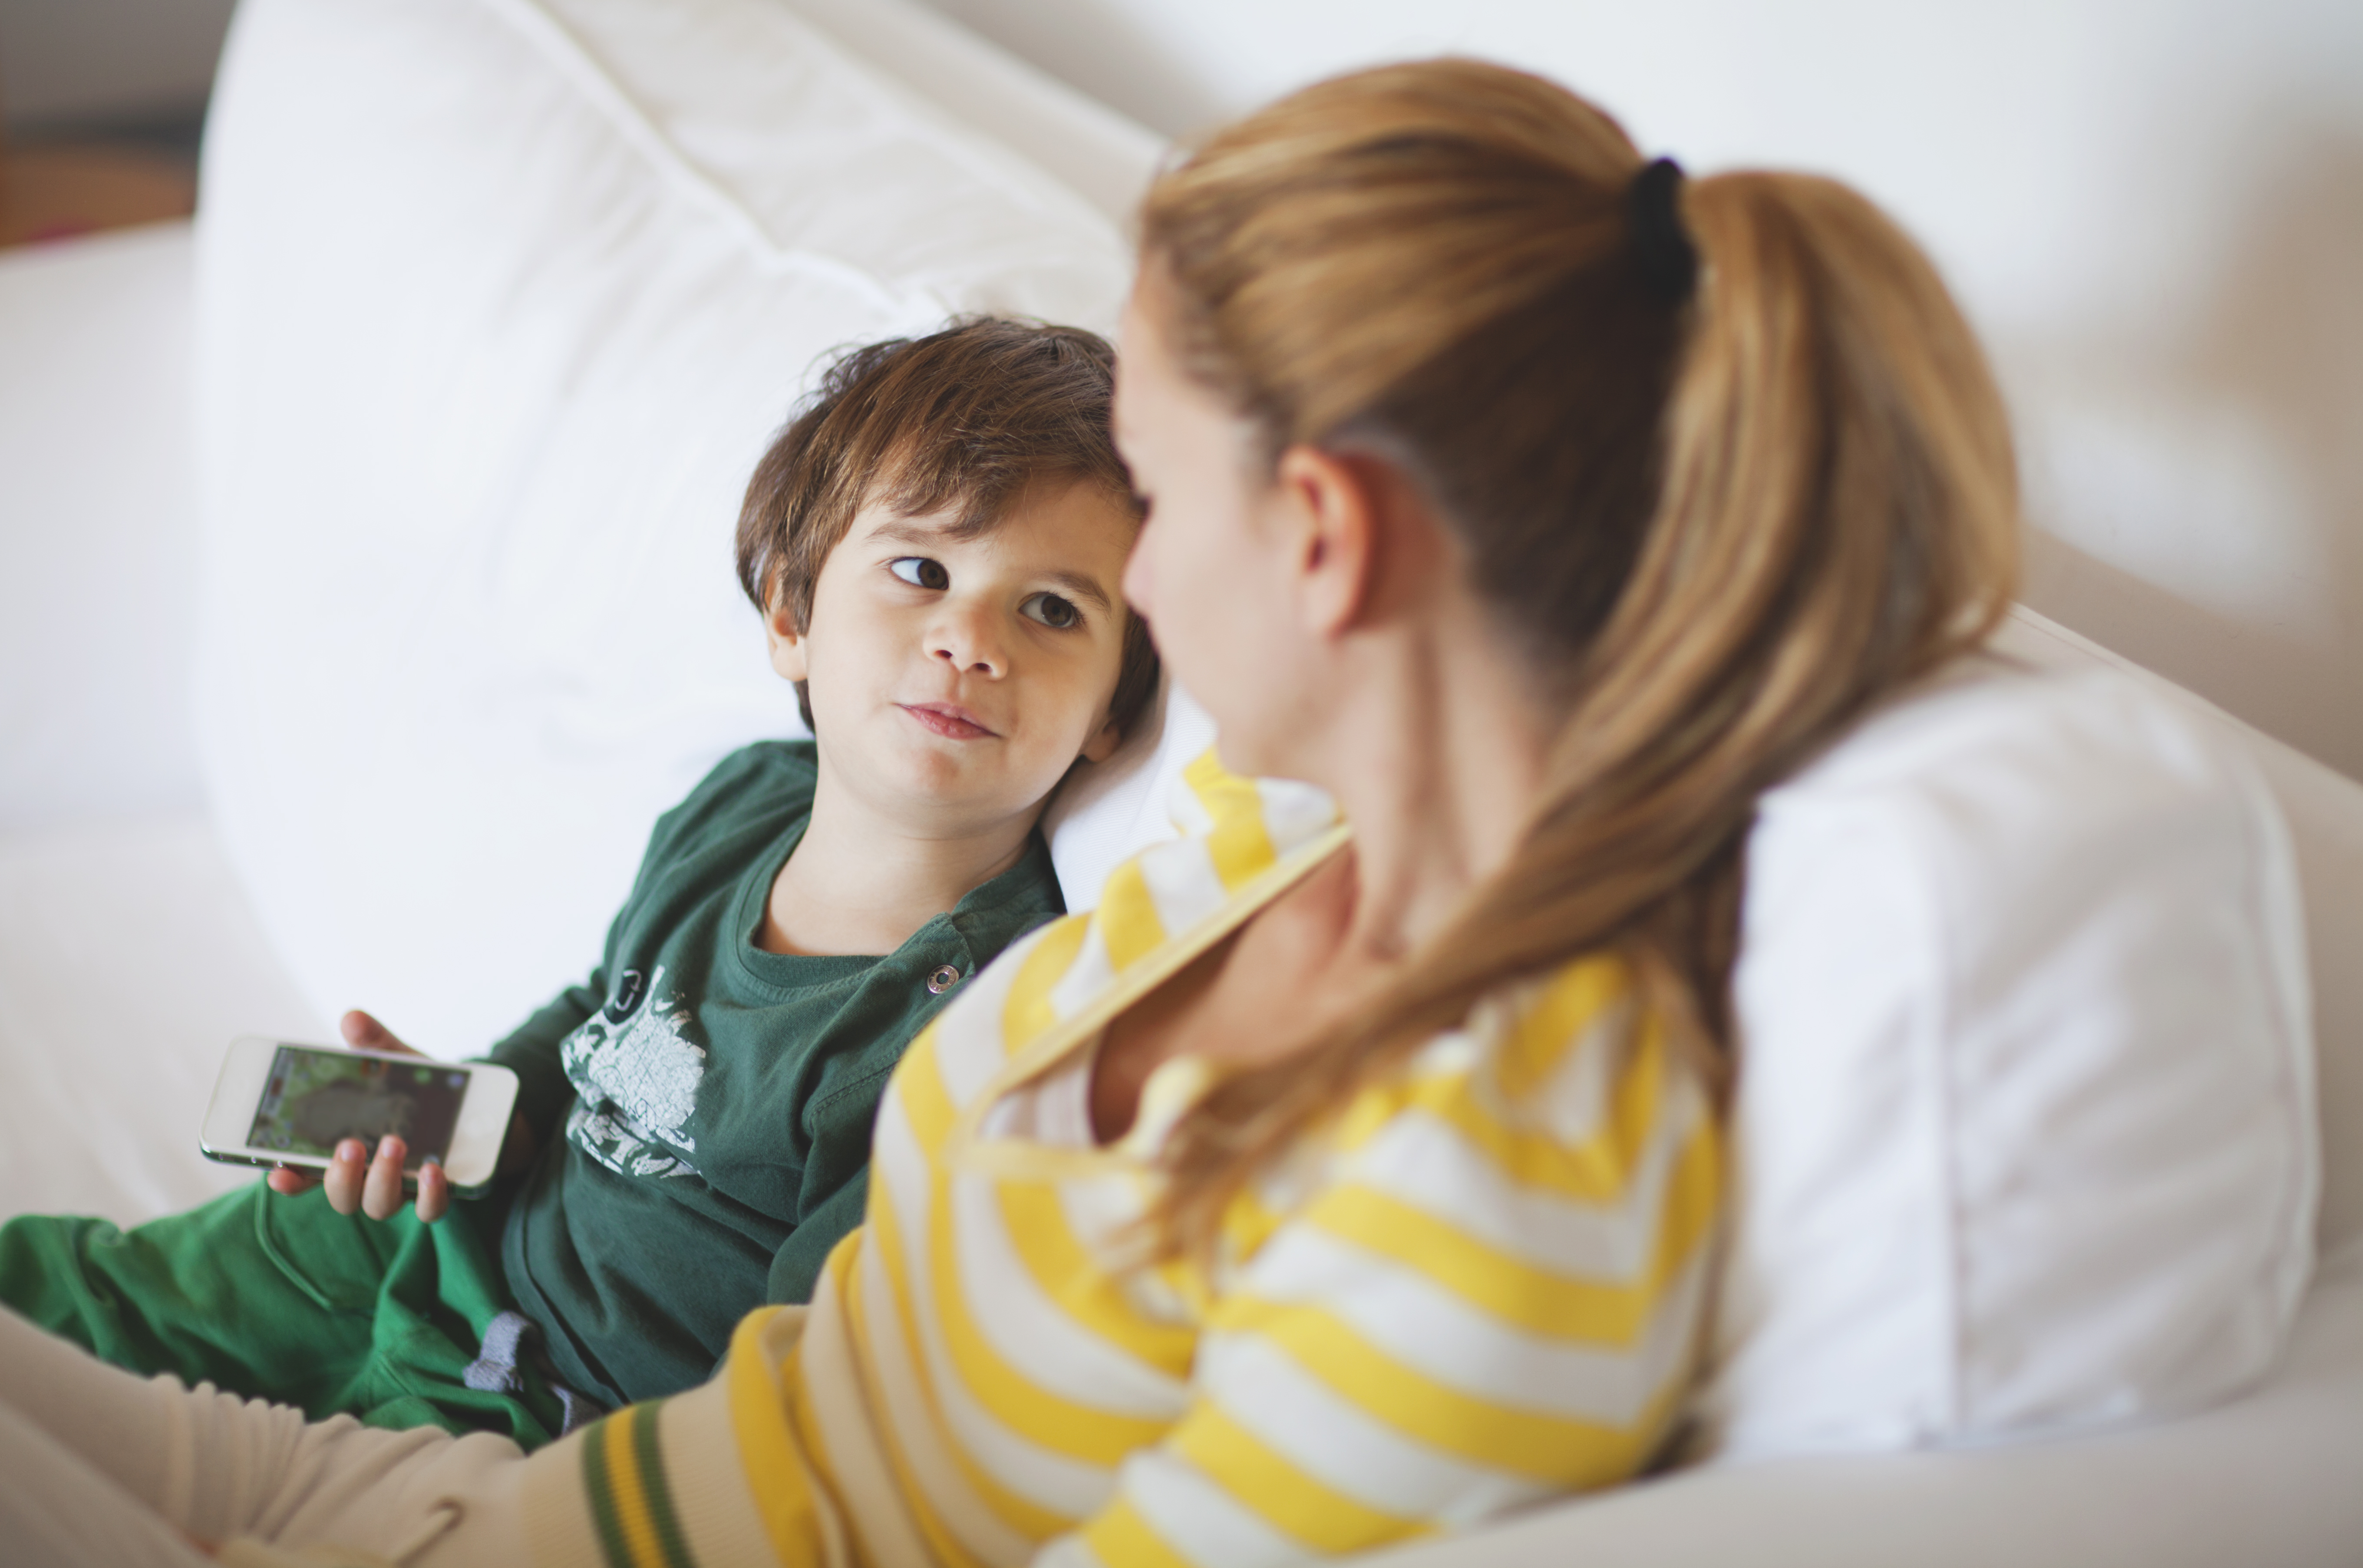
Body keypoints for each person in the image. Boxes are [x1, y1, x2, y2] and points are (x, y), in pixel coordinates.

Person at [0, 56, 2025, 1566]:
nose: (1091, 599)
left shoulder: (1497, 1189)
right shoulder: (1262, 840)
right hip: (503, 1484)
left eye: (1143, 472)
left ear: (1311, 538)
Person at [0, 317, 1159, 1447]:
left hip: (532, 1411)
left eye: (1051, 608)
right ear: (793, 617)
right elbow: (600, 1016)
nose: (970, 637)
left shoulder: (976, 1025)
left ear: (1110, 710)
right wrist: (448, 1112)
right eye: (920, 568)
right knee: (92, 1297)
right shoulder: (741, 802)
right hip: (442, 1229)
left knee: (136, 1499)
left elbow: (812, 1393)